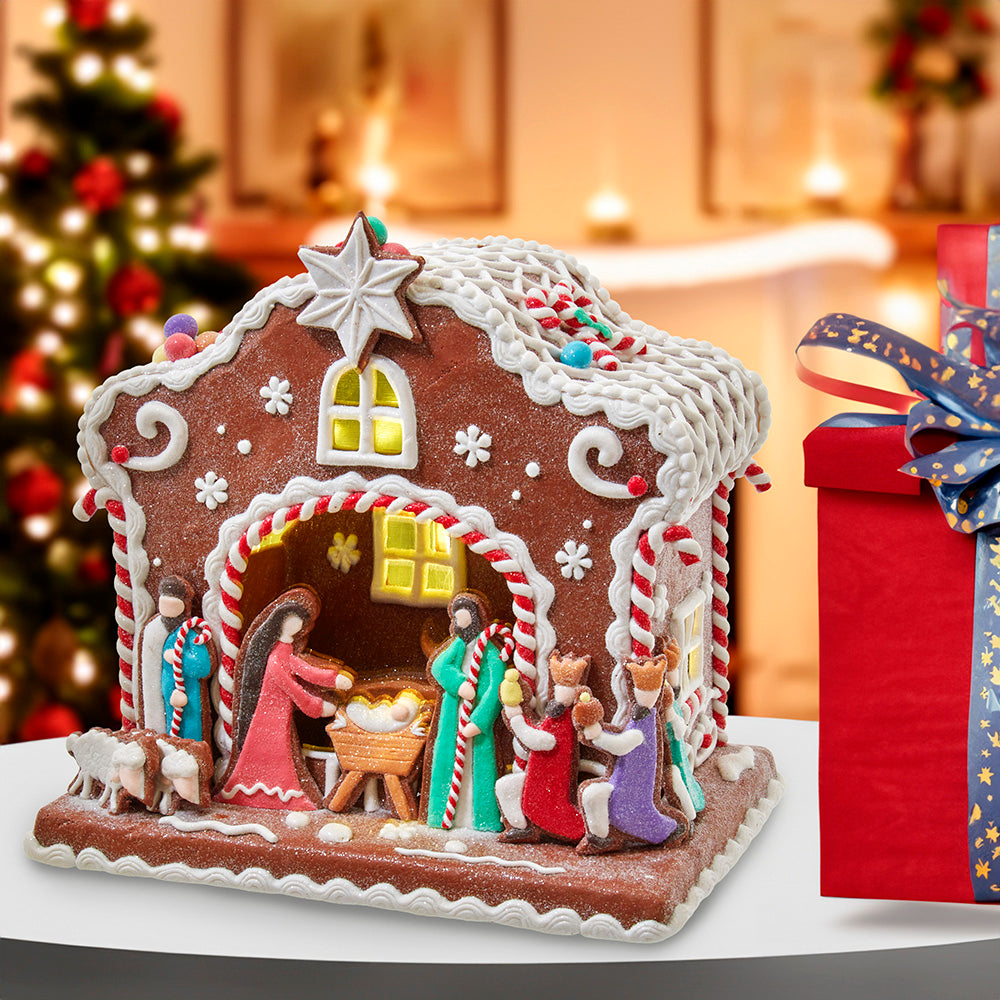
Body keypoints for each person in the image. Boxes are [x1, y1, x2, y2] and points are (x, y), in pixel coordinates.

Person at [217, 587, 352, 810]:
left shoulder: (285, 650)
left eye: (300, 621)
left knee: (279, 751)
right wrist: (316, 707)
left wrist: (334, 679)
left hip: (279, 712)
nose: (298, 625)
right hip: (269, 715)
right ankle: (267, 793)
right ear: (281, 621)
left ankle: (277, 792)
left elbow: (304, 670)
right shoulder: (276, 654)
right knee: (272, 751)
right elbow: (290, 686)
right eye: (293, 620)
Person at [576, 655, 687, 853]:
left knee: (602, 799)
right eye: (641, 690)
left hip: (631, 795)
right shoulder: (637, 718)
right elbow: (620, 737)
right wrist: (595, 732)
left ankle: (667, 830)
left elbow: (622, 744)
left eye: (649, 691)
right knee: (591, 794)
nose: (644, 695)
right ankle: (599, 838)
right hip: (619, 784)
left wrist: (598, 735)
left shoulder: (645, 725)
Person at [424, 592, 507, 831]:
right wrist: (459, 683)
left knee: (478, 764)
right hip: (453, 715)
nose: (459, 623)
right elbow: (439, 667)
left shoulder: (489, 651)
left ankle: (482, 817)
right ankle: (442, 815)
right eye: (456, 618)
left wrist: (480, 720)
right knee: (448, 760)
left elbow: (496, 686)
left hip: (476, 721)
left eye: (463, 617)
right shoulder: (457, 646)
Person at [495, 651, 589, 844]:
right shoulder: (554, 716)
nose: (561, 692)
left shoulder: (566, 720)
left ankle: (583, 831)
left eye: (566, 687)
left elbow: (541, 741)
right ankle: (521, 828)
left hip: (547, 788)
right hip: (536, 778)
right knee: (505, 786)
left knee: (519, 794)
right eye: (559, 686)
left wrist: (516, 717)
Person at [138, 576, 213, 740]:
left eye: (171, 603)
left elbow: (202, 666)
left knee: (189, 727)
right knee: (171, 728)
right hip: (167, 694)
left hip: (189, 694)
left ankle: (193, 749)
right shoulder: (157, 632)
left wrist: (179, 658)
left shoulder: (190, 634)